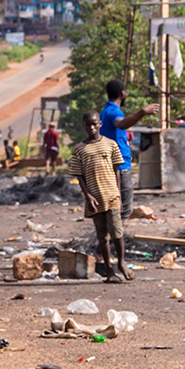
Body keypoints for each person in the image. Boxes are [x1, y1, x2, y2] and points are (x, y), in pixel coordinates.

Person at [69, 110, 128, 282]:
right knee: (102, 236)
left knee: (117, 231)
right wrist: (87, 195)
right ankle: (109, 270)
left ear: (100, 124)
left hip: (111, 195)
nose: (92, 128)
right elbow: (78, 175)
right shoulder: (80, 149)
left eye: (95, 124)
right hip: (94, 198)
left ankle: (122, 262)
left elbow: (117, 170)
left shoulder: (110, 144)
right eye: (89, 125)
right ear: (84, 126)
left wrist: (118, 194)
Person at [100, 80, 158, 240]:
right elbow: (122, 124)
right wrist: (142, 112)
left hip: (112, 164)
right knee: (123, 209)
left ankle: (108, 243)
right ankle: (113, 242)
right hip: (120, 166)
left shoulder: (105, 111)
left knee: (115, 208)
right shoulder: (113, 112)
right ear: (123, 93)